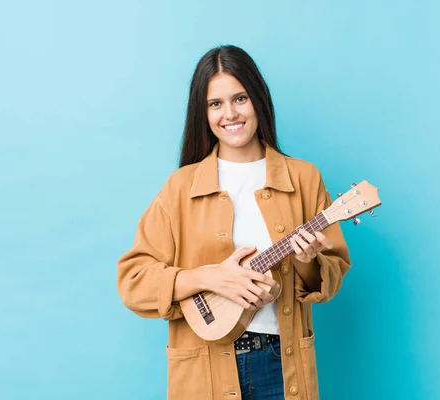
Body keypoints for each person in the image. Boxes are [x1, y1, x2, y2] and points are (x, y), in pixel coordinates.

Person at [117, 44, 351, 400]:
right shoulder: (181, 186)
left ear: (258, 100)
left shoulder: (304, 178)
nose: (230, 113)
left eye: (240, 98)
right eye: (216, 103)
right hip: (204, 370)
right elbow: (133, 282)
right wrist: (209, 277)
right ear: (204, 112)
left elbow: (330, 277)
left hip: (282, 364)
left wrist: (307, 263)